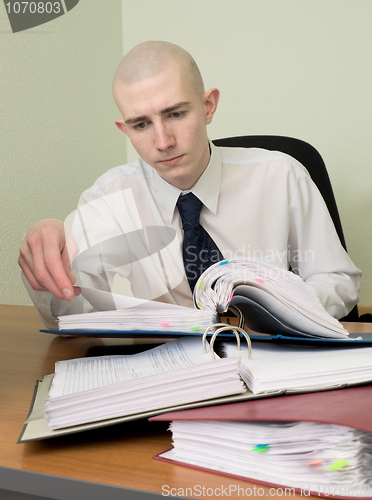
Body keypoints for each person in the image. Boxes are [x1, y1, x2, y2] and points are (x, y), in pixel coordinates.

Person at [19, 41, 361, 329]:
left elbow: (338, 279)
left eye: (176, 114)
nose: (163, 141)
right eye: (141, 124)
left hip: (270, 361)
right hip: (163, 376)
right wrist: (48, 264)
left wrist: (276, 312)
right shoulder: (107, 199)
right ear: (125, 129)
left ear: (208, 106)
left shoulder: (281, 175)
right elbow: (72, 316)